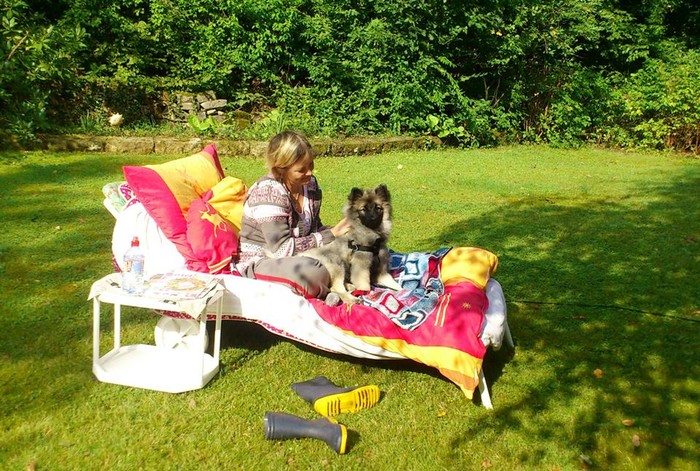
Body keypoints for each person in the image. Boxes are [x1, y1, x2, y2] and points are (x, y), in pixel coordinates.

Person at [235, 130, 351, 299]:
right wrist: (331, 234)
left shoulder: (310, 185)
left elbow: (314, 229)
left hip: (304, 255)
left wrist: (344, 233)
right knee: (310, 273)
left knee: (354, 246)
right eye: (301, 170)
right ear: (280, 170)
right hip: (265, 261)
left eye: (311, 165)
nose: (309, 173)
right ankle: (329, 287)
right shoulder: (268, 193)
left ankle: (331, 285)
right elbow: (280, 249)